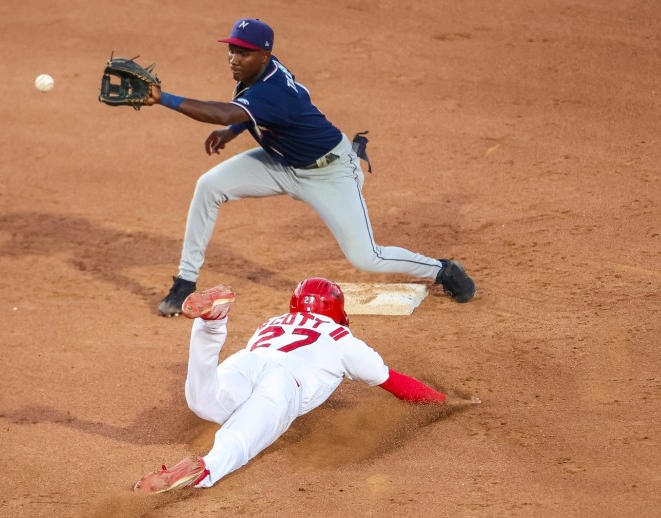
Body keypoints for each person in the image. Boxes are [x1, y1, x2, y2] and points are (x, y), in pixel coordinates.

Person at [145, 18, 476, 317]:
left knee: (366, 257)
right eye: (232, 51)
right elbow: (248, 113)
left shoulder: (272, 89)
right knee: (209, 185)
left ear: (264, 55)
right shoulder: (258, 73)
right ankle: (185, 282)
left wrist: (164, 99)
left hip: (329, 173)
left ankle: (442, 270)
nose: (234, 58)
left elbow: (226, 112)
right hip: (282, 163)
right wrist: (231, 132)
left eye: (243, 53)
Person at [134, 278, 480, 493]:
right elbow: (395, 382)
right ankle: (205, 469)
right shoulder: (342, 338)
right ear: (336, 310)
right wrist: (442, 400)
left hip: (248, 360)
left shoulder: (274, 321)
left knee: (204, 400)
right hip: (285, 382)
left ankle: (213, 324)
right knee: (243, 439)